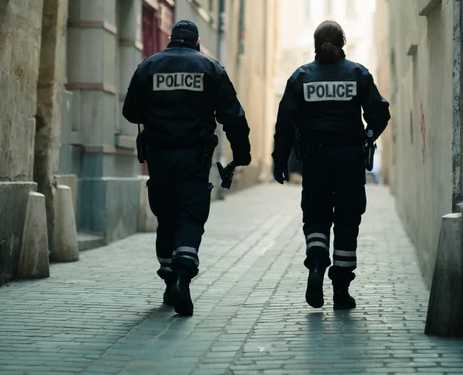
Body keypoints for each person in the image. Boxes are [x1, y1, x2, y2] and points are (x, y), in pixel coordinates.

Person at [122, 19, 252, 316]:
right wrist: (242, 154)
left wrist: (155, 112)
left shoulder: (149, 66)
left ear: (171, 40)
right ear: (196, 43)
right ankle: (182, 275)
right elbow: (233, 115)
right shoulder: (211, 69)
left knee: (166, 216)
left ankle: (169, 279)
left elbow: (130, 112)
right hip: (194, 157)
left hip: (159, 156)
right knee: (190, 216)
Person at [271, 20, 390, 310]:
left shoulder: (301, 77)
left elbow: (285, 123)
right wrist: (368, 135)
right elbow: (380, 113)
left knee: (315, 215)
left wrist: (280, 160)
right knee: (347, 220)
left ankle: (316, 262)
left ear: (315, 44)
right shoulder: (357, 74)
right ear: (343, 43)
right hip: (349, 159)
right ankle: (341, 290)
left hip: (315, 160)